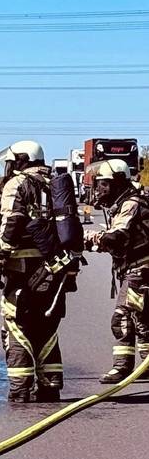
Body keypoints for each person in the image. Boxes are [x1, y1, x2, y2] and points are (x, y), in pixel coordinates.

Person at [0, 140, 75, 403]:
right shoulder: (55, 184)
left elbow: (12, 223)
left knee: (16, 325)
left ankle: (20, 388)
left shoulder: (18, 184)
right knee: (46, 327)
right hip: (56, 269)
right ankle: (51, 385)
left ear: (22, 159)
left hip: (22, 271)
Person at [84, 159, 149, 383]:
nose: (99, 189)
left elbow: (117, 237)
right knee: (141, 317)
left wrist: (91, 238)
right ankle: (147, 363)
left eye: (104, 184)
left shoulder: (130, 204)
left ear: (118, 182)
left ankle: (122, 367)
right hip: (137, 269)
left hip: (140, 269)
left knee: (122, 317)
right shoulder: (127, 203)